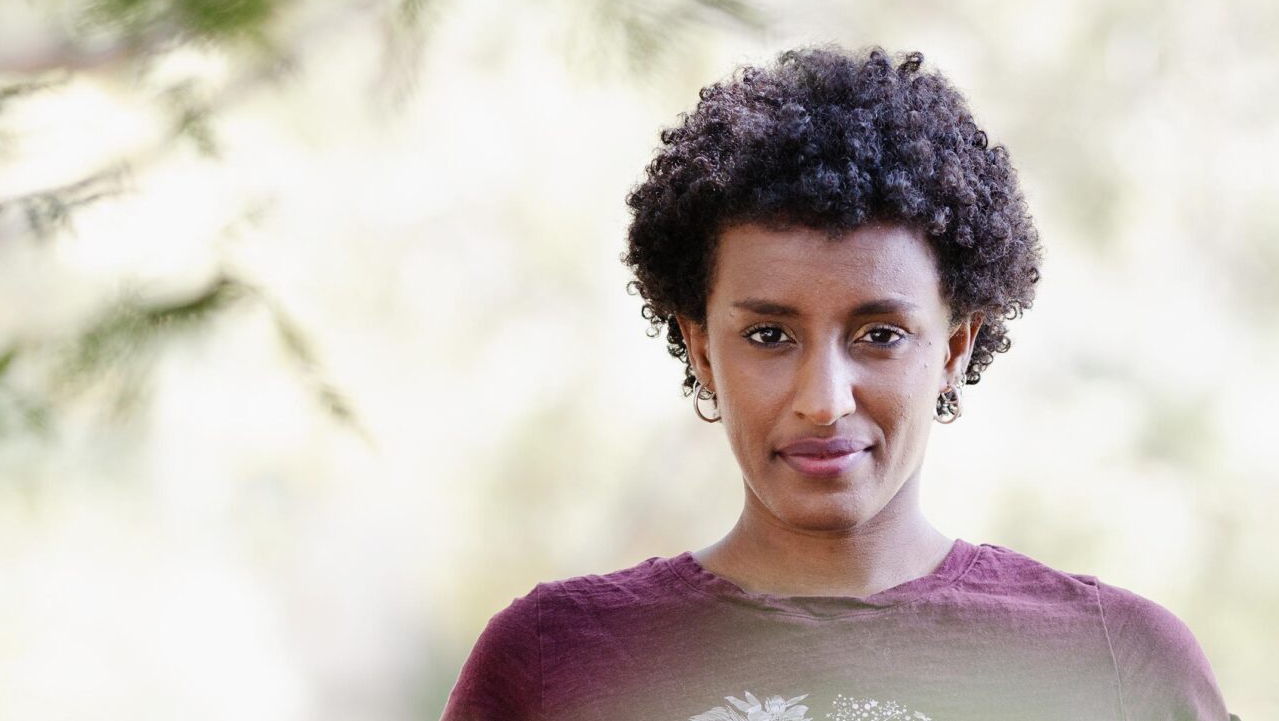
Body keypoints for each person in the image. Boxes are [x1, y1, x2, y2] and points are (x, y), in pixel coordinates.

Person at [440, 46, 1234, 721]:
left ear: (956, 346)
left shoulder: (1120, 668)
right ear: (702, 345)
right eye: (769, 335)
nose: (824, 398)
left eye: (880, 335)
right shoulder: (552, 663)